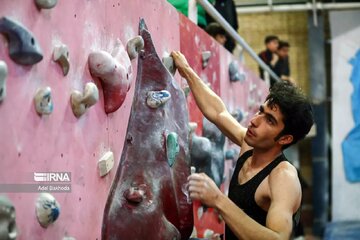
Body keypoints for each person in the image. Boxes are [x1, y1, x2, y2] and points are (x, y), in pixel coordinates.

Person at [171, 50, 314, 240]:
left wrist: (218, 200)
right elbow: (218, 112)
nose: (255, 121)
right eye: (261, 111)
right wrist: (186, 70)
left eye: (269, 120)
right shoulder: (249, 146)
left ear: (285, 139)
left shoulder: (283, 177)